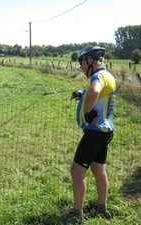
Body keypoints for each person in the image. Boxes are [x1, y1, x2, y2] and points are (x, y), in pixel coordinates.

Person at [63, 46, 116, 224]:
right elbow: (96, 94)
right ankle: (102, 209)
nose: (80, 66)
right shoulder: (107, 75)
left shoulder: (98, 76)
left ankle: (77, 215)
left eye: (81, 62)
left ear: (91, 61)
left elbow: (94, 91)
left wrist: (87, 113)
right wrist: (82, 94)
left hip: (94, 133)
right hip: (105, 131)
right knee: (99, 170)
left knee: (77, 172)